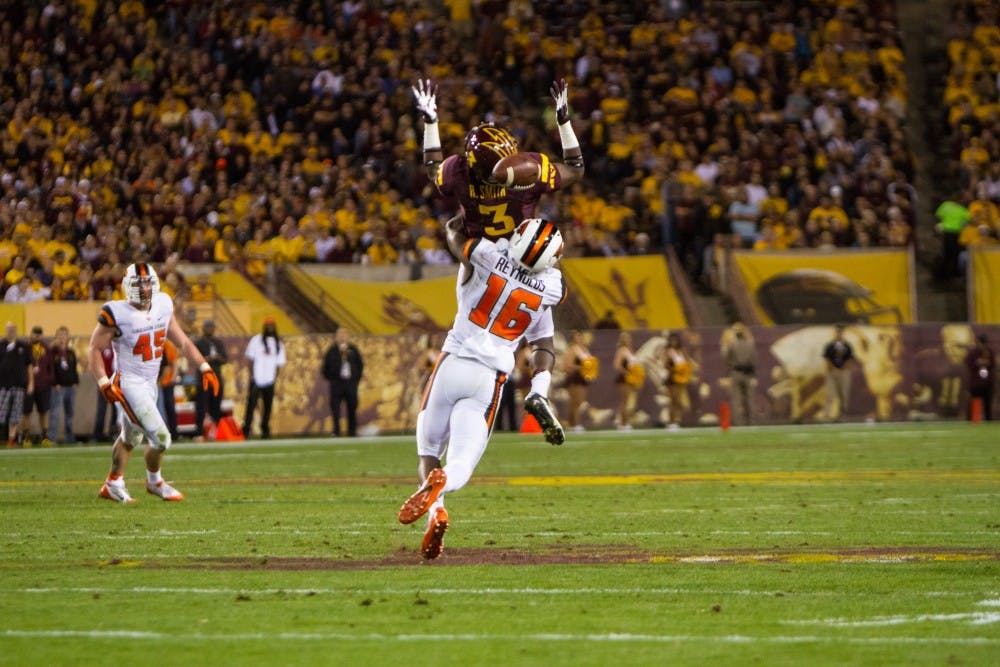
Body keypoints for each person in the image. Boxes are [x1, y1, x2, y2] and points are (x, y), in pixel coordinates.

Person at [397, 216, 567, 560]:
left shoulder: (486, 255)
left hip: (452, 363)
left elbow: (453, 232)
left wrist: (472, 208)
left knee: (429, 449)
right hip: (489, 379)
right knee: (460, 464)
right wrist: (541, 384)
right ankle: (444, 483)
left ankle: (437, 511)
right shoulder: (550, 287)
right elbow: (545, 341)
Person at [87, 262, 219, 503]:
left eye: (147, 282)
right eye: (138, 284)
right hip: (128, 384)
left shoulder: (163, 304)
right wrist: (104, 381)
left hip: (149, 383)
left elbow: (184, 343)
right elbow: (94, 349)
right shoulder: (116, 312)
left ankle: (113, 483)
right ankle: (154, 481)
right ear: (127, 286)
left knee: (131, 438)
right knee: (161, 438)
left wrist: (204, 366)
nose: (144, 288)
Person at [413, 78, 584, 240]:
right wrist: (564, 124)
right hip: (521, 255)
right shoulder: (528, 171)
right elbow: (575, 168)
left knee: (454, 231)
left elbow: (433, 169)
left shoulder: (458, 171)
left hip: (480, 258)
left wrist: (431, 123)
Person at [242, 317, 285, 439]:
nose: (270, 328)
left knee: (267, 407)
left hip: (269, 380)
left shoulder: (278, 344)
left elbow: (278, 365)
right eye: (268, 325)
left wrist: (274, 379)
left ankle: (265, 429)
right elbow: (250, 359)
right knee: (250, 406)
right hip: (256, 379)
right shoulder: (256, 340)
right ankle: (246, 429)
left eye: (272, 325)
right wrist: (252, 376)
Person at [321, 327, 364, 437]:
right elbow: (325, 368)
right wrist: (333, 378)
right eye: (340, 334)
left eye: (344, 334)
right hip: (337, 383)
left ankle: (352, 430)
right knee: (335, 407)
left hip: (350, 383)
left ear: (348, 336)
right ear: (336, 336)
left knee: (352, 407)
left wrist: (355, 379)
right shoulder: (332, 351)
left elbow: (360, 365)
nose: (342, 336)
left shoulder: (353, 350)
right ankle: (336, 430)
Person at [1, 322, 33, 448]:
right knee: (1, 413)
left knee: (15, 414)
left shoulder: (23, 346)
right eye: (9, 329)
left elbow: (29, 365)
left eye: (13, 328)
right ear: (5, 330)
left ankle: (11, 439)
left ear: (16, 330)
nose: (11, 331)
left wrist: (31, 383)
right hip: (3, 385)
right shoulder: (1, 345)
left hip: (19, 385)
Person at [194, 319, 228, 439]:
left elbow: (225, 359)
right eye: (208, 327)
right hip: (203, 378)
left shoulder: (218, 342)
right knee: (202, 406)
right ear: (203, 328)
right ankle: (199, 432)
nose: (210, 329)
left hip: (216, 378)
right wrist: (207, 359)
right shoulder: (198, 342)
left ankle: (215, 432)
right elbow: (195, 358)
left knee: (216, 406)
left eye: (212, 327)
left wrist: (216, 358)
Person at [48, 326, 80, 445]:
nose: (62, 337)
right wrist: (55, 382)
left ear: (67, 337)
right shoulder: (53, 352)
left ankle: (69, 437)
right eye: (60, 335)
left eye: (64, 335)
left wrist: (76, 381)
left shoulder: (70, 353)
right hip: (58, 387)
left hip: (71, 386)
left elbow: (74, 368)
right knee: (55, 413)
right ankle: (52, 438)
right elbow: (50, 368)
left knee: (70, 413)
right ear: (56, 337)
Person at [24, 326, 55, 447]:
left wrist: (49, 380)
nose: (37, 336)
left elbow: (51, 366)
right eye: (35, 333)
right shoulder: (26, 348)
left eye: (39, 334)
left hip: (43, 385)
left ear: (42, 335)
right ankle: (26, 437)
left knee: (44, 412)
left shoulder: (46, 348)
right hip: (29, 385)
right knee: (26, 412)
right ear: (31, 334)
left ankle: (45, 437)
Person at [561, 330, 597, 432]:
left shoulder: (584, 349)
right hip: (574, 378)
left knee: (578, 402)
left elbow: (590, 363)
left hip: (582, 378)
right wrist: (580, 367)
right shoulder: (572, 350)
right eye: (577, 336)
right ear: (573, 339)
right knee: (576, 402)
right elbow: (565, 366)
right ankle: (576, 424)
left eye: (580, 336)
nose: (580, 338)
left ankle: (571, 424)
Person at [722, 321, 757, 425]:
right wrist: (753, 374)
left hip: (736, 373)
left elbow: (727, 359)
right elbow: (753, 360)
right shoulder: (750, 344)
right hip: (748, 373)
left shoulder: (732, 345)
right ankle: (751, 421)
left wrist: (730, 368)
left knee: (736, 399)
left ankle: (738, 422)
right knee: (750, 399)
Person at [822, 324, 855, 421]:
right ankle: (826, 415)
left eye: (840, 331)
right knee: (830, 394)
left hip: (844, 372)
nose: (838, 333)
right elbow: (826, 357)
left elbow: (850, 358)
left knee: (844, 394)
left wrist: (846, 366)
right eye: (837, 331)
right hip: (832, 372)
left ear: (843, 333)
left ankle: (842, 415)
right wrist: (830, 367)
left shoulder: (847, 345)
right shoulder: (830, 345)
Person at [613, 331, 643, 430]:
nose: (628, 340)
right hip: (624, 379)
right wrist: (627, 373)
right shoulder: (622, 350)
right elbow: (617, 365)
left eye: (629, 338)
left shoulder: (630, 350)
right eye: (625, 338)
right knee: (624, 401)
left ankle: (626, 421)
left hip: (631, 379)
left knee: (629, 401)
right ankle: (623, 423)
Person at [663, 332, 692, 429]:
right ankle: (671, 421)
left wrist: (686, 371)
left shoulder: (683, 351)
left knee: (679, 400)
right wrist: (675, 370)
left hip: (682, 378)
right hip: (673, 378)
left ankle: (677, 420)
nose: (673, 342)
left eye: (675, 340)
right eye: (671, 340)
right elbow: (665, 365)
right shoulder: (668, 352)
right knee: (673, 400)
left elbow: (688, 362)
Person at [965, 334, 995, 421]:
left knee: (987, 403)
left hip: (987, 382)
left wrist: (986, 363)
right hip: (976, 382)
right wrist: (977, 363)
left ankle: (988, 420)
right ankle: (975, 419)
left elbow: (993, 365)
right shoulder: (973, 352)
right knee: (975, 401)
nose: (982, 345)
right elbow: (968, 363)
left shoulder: (989, 352)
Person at [91, 343, 116, 443]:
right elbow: (97, 364)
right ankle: (97, 434)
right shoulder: (102, 347)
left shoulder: (118, 347)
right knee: (102, 409)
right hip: (104, 382)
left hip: (116, 382)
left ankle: (113, 433)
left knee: (116, 411)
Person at [156, 338, 179, 441]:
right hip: (154, 382)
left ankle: (173, 432)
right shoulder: (151, 343)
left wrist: (172, 377)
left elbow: (170, 364)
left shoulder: (167, 345)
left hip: (165, 382)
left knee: (169, 406)